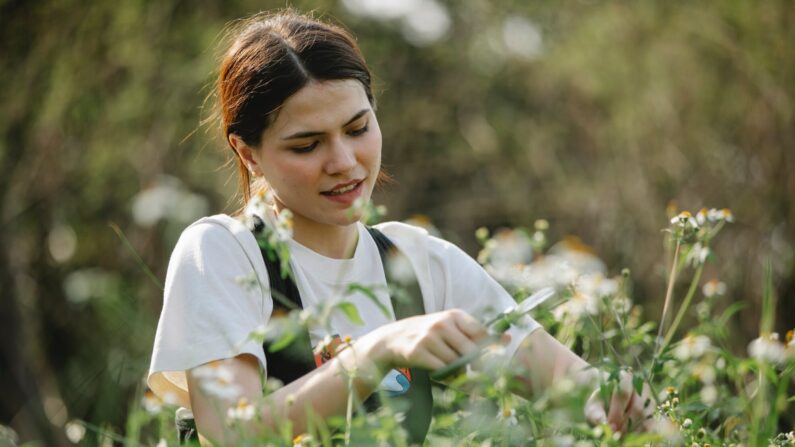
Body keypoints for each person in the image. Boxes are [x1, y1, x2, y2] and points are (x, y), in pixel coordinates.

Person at [147, 10, 653, 445]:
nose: (344, 162)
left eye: (358, 128)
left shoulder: (418, 263)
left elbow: (566, 381)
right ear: (246, 152)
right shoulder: (223, 254)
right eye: (307, 145)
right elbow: (235, 433)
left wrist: (610, 400)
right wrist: (377, 351)